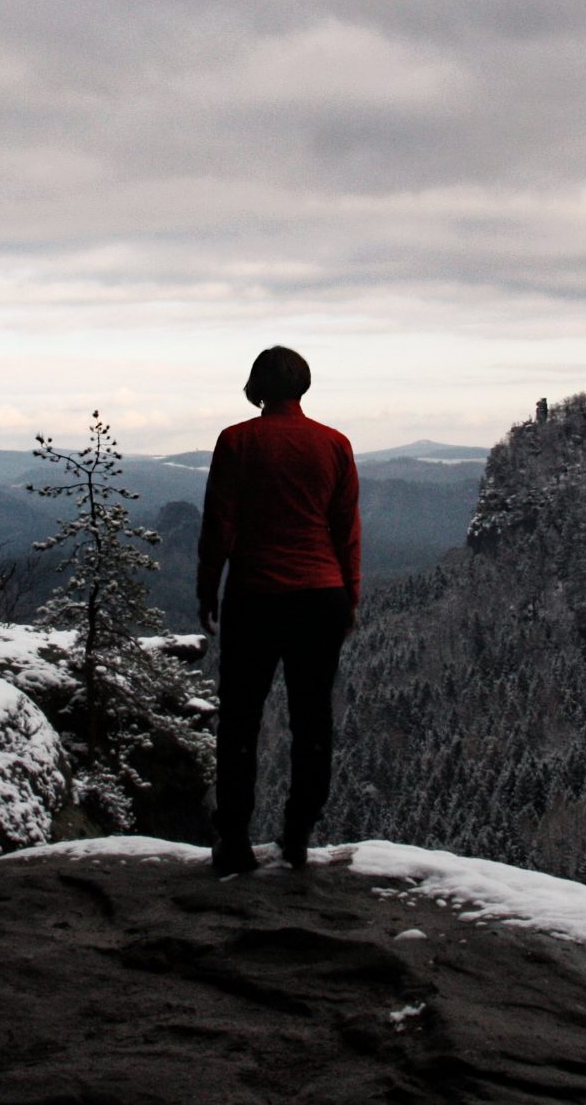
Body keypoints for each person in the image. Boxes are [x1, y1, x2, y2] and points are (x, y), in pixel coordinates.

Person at [197, 345, 361, 875]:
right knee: (312, 718)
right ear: (303, 385)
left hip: (255, 596)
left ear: (257, 385)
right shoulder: (335, 444)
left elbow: (219, 524)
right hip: (322, 597)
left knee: (240, 720)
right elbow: (346, 531)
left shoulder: (237, 441)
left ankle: (235, 839)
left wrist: (207, 591)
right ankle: (297, 835)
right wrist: (350, 596)